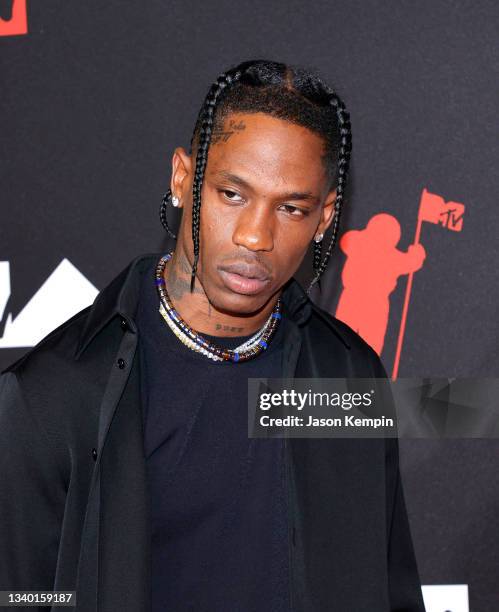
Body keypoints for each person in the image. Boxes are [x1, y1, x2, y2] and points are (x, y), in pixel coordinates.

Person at [0, 59, 425, 611]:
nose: (255, 236)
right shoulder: (55, 395)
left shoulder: (345, 375)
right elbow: (18, 595)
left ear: (324, 219)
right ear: (183, 178)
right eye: (232, 194)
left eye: (292, 208)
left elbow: (388, 584)